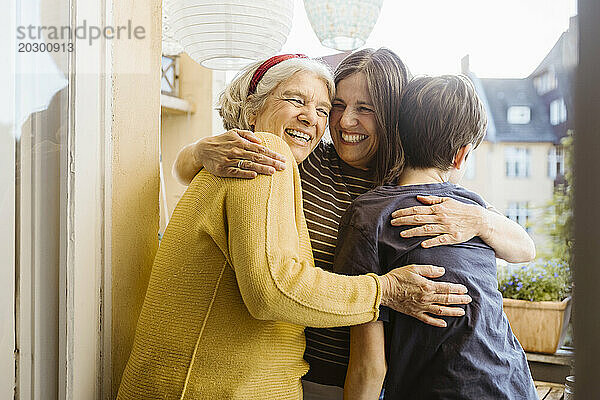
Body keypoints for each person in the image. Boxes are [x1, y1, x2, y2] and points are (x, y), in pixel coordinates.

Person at [172, 48, 536, 399]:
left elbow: (523, 247)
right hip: (296, 370)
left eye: (366, 109)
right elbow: (189, 172)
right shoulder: (304, 158)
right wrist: (199, 150)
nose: (346, 122)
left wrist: (480, 219)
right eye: (339, 107)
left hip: (373, 380)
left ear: (393, 116)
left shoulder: (414, 189)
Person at [336, 75, 537, 399]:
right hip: (512, 385)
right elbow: (526, 251)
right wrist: (482, 218)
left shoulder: (370, 215)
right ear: (461, 155)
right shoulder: (468, 204)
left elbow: (370, 366)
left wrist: (482, 220)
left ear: (399, 135)